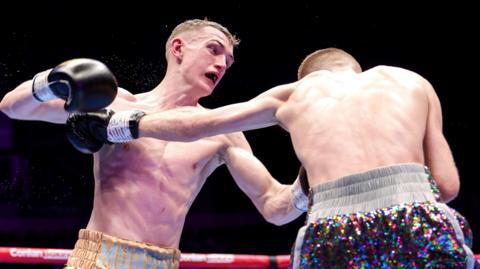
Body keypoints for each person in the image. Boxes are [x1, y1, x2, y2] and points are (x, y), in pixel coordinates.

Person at [69, 47, 479, 268]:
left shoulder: (294, 94)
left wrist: (116, 126)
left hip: (333, 225)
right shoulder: (411, 82)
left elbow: (201, 125)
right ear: (355, 69)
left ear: (310, 78)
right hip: (416, 214)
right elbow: (447, 186)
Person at [0, 19, 307, 269]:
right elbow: (12, 107)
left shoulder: (220, 132)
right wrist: (51, 81)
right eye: (214, 50)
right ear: (178, 48)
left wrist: (308, 184)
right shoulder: (113, 104)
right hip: (99, 258)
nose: (222, 63)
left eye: (228, 61)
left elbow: (274, 206)